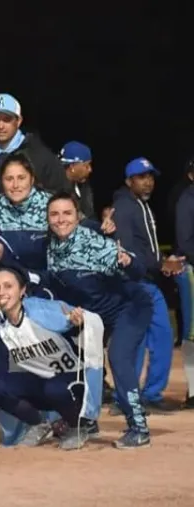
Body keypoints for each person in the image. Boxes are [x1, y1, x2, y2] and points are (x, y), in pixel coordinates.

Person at [42, 192, 152, 448]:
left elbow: (138, 271)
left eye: (67, 213)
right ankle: (86, 421)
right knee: (74, 358)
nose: (60, 220)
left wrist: (127, 260)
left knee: (118, 357)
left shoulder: (93, 242)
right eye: (54, 214)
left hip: (129, 308)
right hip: (94, 317)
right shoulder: (51, 246)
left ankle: (139, 427)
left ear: (77, 216)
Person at [0, 267, 105, 451]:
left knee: (54, 388)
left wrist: (76, 324)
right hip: (47, 382)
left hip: (77, 380)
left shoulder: (41, 311)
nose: (2, 292)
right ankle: (39, 425)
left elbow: (71, 328)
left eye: (8, 286)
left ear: (22, 291)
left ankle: (80, 426)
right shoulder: (3, 328)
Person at [110, 157, 184, 413]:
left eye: (150, 177)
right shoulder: (124, 207)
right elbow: (128, 251)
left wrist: (164, 261)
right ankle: (125, 398)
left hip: (148, 281)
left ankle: (150, 393)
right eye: (142, 178)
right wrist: (160, 265)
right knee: (136, 342)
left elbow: (146, 249)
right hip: (135, 283)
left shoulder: (140, 205)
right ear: (129, 181)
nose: (148, 182)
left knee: (161, 337)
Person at [0, 93, 70, 205]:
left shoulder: (41, 156)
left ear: (18, 121)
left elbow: (62, 195)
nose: (0, 126)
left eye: (7, 119)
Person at [172, 157, 194, 408]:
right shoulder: (187, 201)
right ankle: (193, 391)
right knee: (191, 332)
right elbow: (186, 243)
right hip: (190, 270)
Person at [58, 141, 95, 218]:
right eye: (86, 166)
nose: (90, 170)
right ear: (72, 167)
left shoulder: (83, 186)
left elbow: (90, 215)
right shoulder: (56, 191)